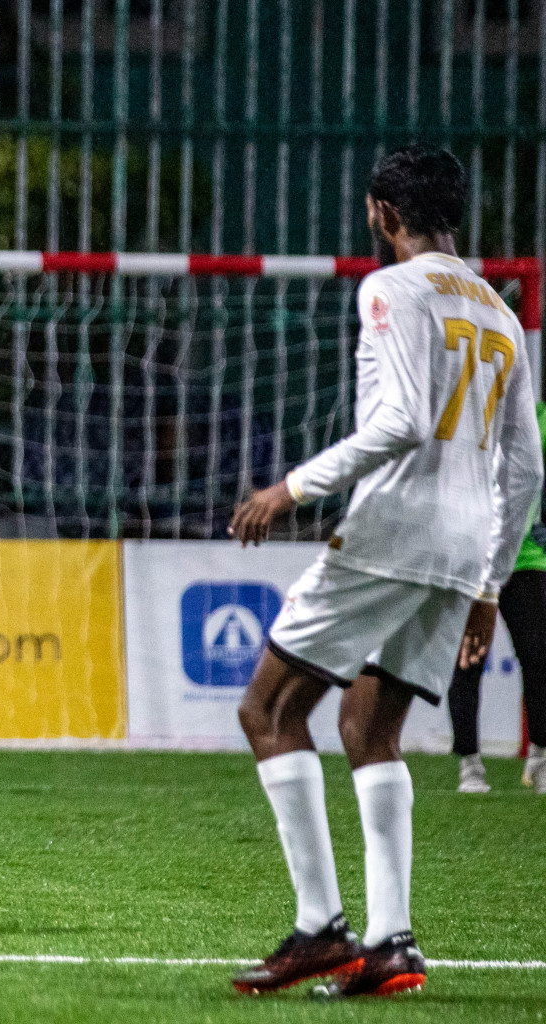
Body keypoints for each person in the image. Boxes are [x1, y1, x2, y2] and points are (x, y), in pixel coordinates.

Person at [226, 145, 543, 998]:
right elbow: (530, 469)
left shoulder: (389, 290)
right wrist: (487, 581)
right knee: (371, 728)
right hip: (460, 548)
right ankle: (393, 942)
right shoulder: (502, 314)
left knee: (268, 708)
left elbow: (401, 421)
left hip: (392, 532)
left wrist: (289, 489)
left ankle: (321, 928)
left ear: (383, 215)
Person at [447, 399, 546, 795]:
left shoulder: (539, 415)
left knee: (539, 659)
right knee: (467, 661)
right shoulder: (461, 413)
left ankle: (540, 758)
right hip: (471, 559)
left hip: (525, 557)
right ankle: (470, 765)